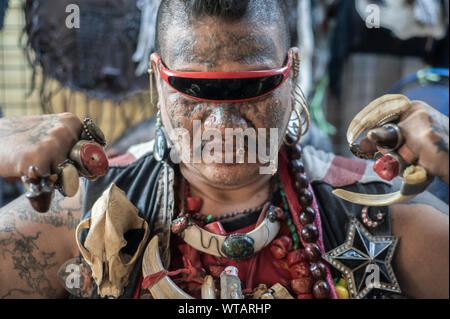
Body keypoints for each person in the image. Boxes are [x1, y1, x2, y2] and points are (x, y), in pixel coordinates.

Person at [0, 0, 448, 299]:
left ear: (291, 72)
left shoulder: (383, 215)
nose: (223, 124)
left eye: (250, 87)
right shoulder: (78, 216)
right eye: (194, 89)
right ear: (159, 78)